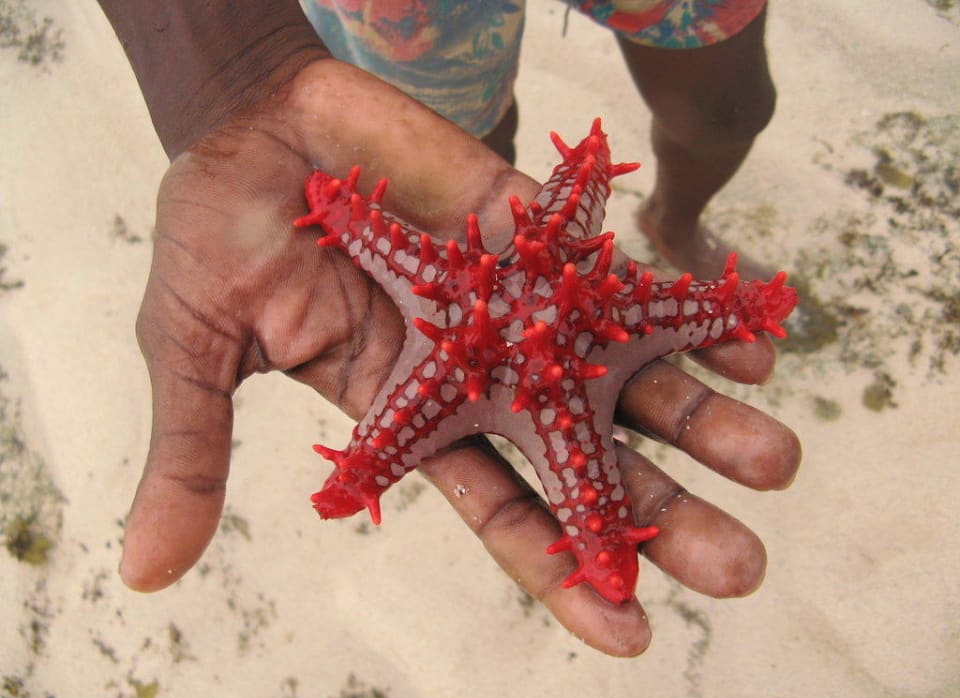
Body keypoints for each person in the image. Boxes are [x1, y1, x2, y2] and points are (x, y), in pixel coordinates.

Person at [97, 0, 800, 657]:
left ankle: (674, 219)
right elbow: (564, 189)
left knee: (723, 111)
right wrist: (237, 73)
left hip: (518, 329)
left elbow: (576, 182)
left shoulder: (468, 330)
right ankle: (659, 217)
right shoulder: (529, 330)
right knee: (460, 122)